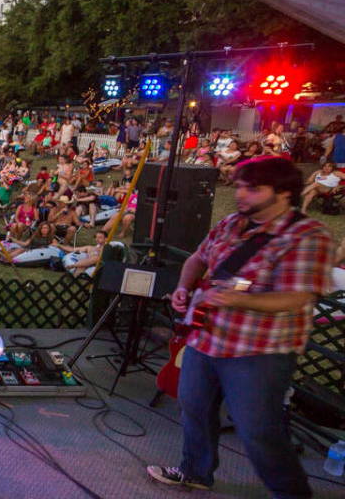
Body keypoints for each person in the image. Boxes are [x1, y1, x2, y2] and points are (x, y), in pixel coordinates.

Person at [147, 156, 332, 497]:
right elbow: (198, 259)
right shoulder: (232, 223)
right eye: (242, 186)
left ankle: (292, 493)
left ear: (284, 194)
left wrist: (238, 300)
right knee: (194, 410)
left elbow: (296, 299)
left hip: (258, 351)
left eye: (254, 189)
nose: (242, 195)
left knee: (258, 430)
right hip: (205, 338)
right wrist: (185, 288)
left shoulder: (307, 235)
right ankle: (195, 471)